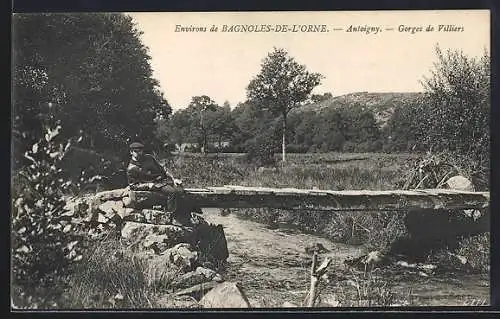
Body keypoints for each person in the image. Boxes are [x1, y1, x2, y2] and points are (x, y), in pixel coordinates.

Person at [126, 142, 200, 224]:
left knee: (181, 190)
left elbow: (163, 169)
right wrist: (148, 185)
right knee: (172, 192)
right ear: (131, 152)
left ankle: (188, 215)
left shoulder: (149, 158)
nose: (139, 153)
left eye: (140, 151)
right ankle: (172, 215)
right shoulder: (131, 168)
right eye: (136, 151)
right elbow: (133, 186)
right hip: (154, 184)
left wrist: (174, 178)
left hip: (163, 180)